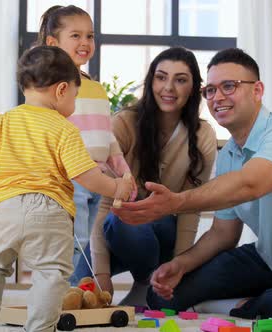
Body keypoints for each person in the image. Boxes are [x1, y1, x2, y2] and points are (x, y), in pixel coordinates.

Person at [112, 48, 272, 319]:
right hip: (268, 260)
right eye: (211, 90)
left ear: (257, 90)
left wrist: (176, 202)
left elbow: (249, 184)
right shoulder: (228, 154)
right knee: (163, 294)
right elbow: (223, 234)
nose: (218, 97)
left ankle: (244, 305)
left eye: (229, 86)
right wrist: (180, 264)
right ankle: (261, 301)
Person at [0, 46, 132, 332]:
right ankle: (39, 327)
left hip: (6, 207)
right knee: (50, 273)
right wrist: (116, 187)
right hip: (50, 210)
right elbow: (85, 175)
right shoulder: (64, 129)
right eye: (76, 96)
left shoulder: (5, 120)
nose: (74, 104)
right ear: (62, 90)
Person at [72, 47, 218, 306]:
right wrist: (103, 275)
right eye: (161, 77)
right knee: (79, 284)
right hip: (116, 229)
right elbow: (105, 204)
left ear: (194, 87)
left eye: (181, 80)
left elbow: (190, 209)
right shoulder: (124, 123)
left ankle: (144, 284)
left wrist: (178, 267)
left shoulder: (202, 135)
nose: (169, 87)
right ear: (151, 81)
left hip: (164, 235)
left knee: (133, 218)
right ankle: (143, 283)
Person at [34, 5, 136, 278]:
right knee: (70, 243)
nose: (85, 43)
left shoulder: (96, 89)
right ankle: (56, 299)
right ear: (53, 43)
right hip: (69, 178)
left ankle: (71, 295)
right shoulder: (47, 88)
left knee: (86, 244)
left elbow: (107, 138)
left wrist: (124, 172)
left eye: (89, 36)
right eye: (76, 35)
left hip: (98, 180)